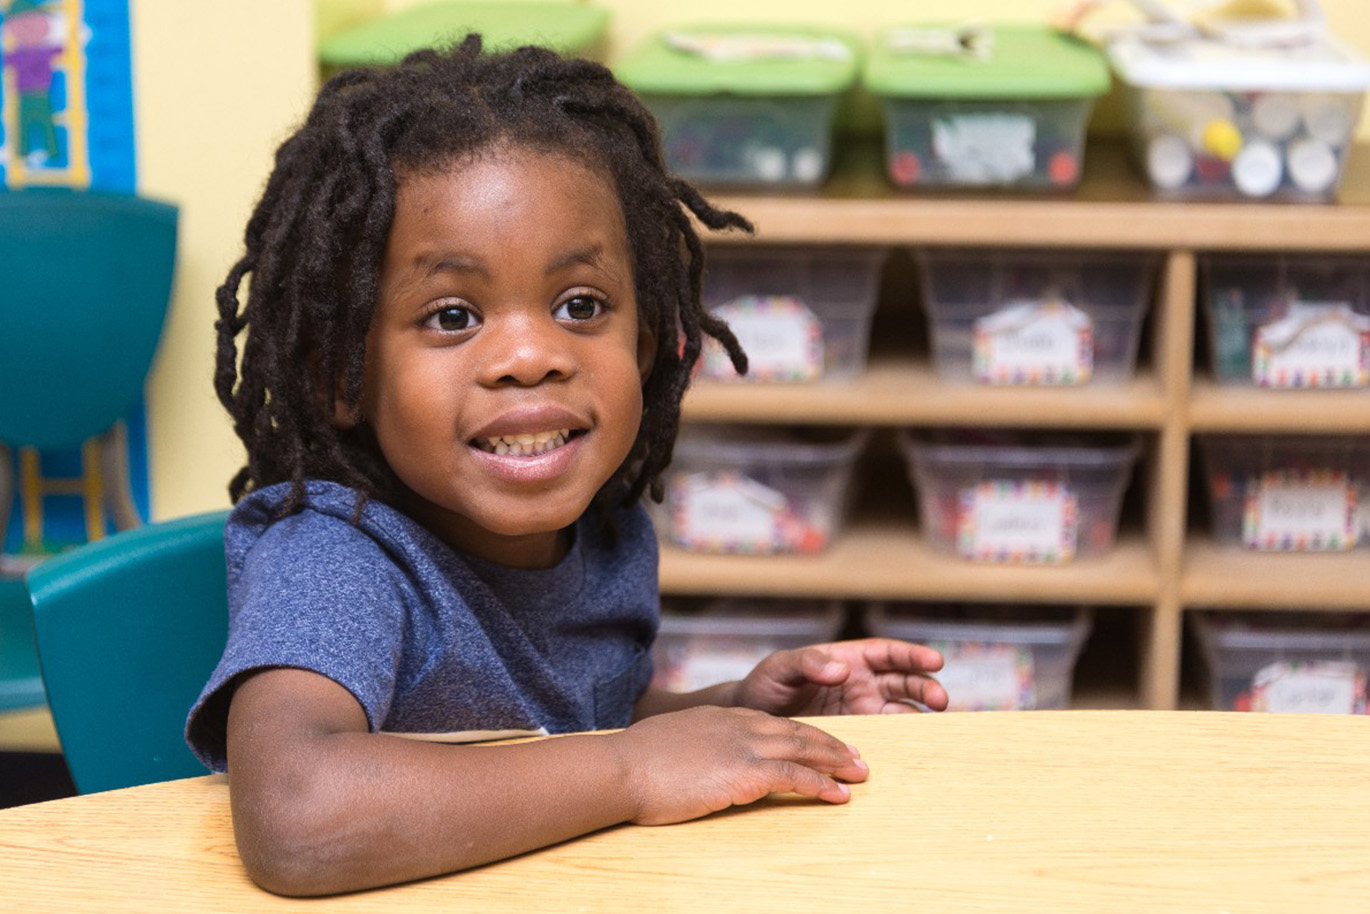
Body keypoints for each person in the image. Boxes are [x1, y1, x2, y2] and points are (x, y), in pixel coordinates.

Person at [186, 35, 947, 898]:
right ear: (342, 376)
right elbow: (297, 816)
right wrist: (631, 767)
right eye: (451, 315)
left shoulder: (602, 534)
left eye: (580, 305)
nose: (529, 356)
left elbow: (559, 737)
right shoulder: (340, 561)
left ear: (649, 343)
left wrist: (731, 711)